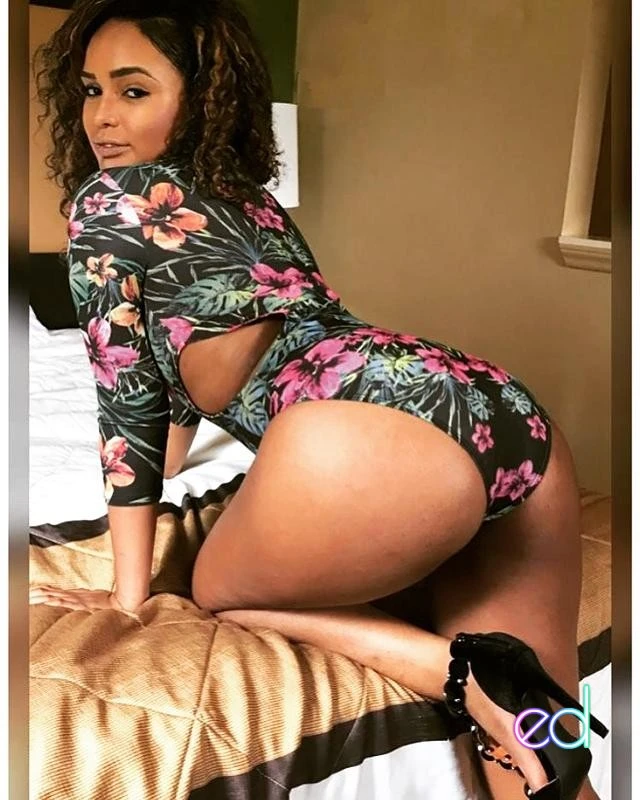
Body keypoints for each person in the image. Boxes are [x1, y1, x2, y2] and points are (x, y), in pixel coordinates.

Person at [30, 1, 607, 798]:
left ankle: (454, 669)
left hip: (364, 434)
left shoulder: (105, 205)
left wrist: (129, 595)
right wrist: (173, 454)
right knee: (543, 753)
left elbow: (126, 396)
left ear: (200, 95)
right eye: (90, 90)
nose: (100, 116)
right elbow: (177, 383)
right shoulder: (248, 198)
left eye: (133, 91)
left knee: (214, 592)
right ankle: (520, 696)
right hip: (498, 409)